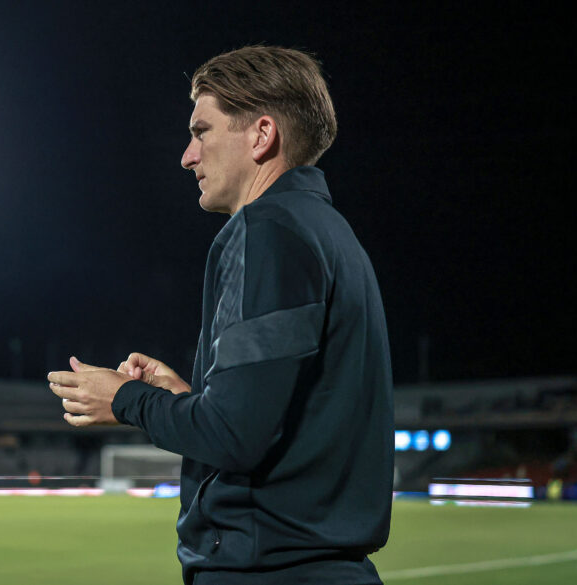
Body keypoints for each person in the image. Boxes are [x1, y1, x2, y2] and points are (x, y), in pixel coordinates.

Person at [48, 44, 393, 584]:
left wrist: (125, 399)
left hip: (268, 571)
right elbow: (269, 425)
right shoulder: (332, 234)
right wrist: (186, 401)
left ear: (261, 135)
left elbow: (235, 435)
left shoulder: (267, 229)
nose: (187, 156)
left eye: (201, 131)